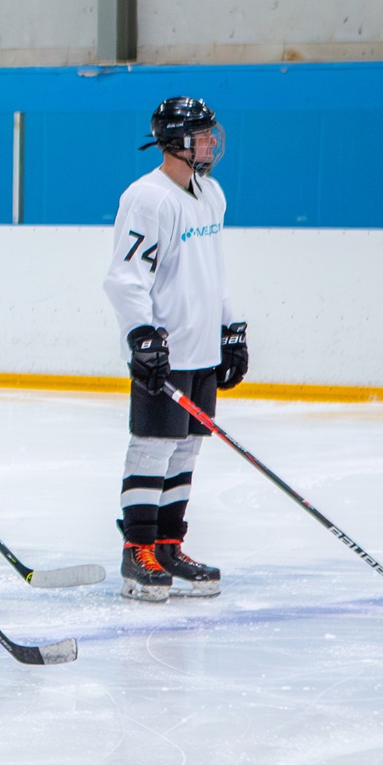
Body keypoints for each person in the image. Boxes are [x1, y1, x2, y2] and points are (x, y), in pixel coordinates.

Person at [103, 96, 241, 600]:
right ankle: (136, 550)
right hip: (166, 347)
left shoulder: (211, 195)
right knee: (153, 446)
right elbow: (125, 276)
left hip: (202, 347)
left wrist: (230, 328)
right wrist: (141, 334)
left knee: (186, 448)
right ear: (177, 142)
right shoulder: (147, 198)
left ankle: (167, 544)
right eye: (202, 134)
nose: (210, 142)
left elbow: (214, 270)